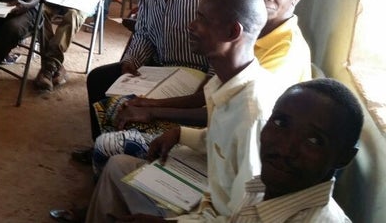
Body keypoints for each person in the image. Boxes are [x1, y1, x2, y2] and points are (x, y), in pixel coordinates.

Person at [89, 0, 314, 170]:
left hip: (227, 152)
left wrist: (155, 112)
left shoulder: (284, 53)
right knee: (120, 103)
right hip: (214, 131)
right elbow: (212, 93)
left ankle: (114, 174)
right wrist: (150, 104)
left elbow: (222, 115)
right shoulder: (254, 30)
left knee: (114, 138)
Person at [84, 0, 286, 222]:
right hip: (210, 192)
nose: (192, 25)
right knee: (117, 167)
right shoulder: (227, 82)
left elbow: (245, 214)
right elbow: (222, 140)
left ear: (232, 32)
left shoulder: (252, 112)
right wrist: (181, 134)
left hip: (215, 212)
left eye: (202, 19)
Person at [103, 78, 363, 222]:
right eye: (281, 123)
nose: (286, 147)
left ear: (343, 158)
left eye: (314, 140)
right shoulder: (263, 188)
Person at [83, 0, 233, 145]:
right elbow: (144, 32)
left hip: (198, 73)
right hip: (159, 68)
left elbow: (224, 39)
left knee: (141, 106)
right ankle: (102, 146)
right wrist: (130, 62)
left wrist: (211, 82)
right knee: (99, 79)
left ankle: (126, 148)